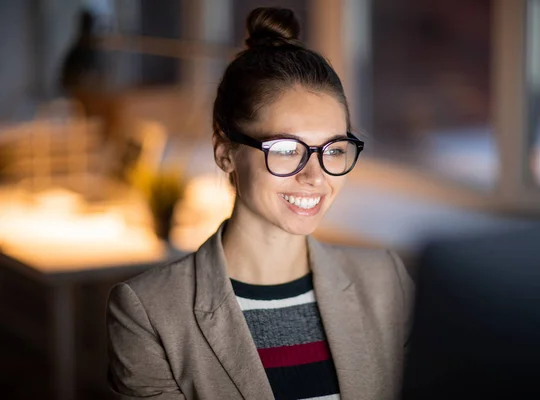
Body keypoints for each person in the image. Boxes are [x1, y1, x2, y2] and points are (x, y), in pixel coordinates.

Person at [106, 7, 414, 400]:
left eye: (334, 149)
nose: (316, 176)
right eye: (286, 149)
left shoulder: (387, 284)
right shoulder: (149, 312)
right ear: (226, 152)